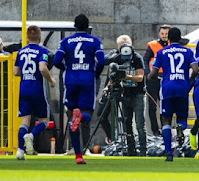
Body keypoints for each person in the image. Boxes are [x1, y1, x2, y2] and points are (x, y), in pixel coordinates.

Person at [53, 14, 105, 164]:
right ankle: (80, 117)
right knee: (87, 113)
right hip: (87, 79)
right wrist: (95, 73)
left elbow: (56, 61)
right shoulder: (95, 41)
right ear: (87, 26)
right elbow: (101, 61)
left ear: (74, 26)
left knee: (71, 118)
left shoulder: (65, 41)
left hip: (71, 80)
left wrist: (66, 68)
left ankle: (78, 156)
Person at [147, 27, 199, 161]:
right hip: (182, 87)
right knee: (182, 117)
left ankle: (169, 153)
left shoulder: (161, 52)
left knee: (166, 120)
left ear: (168, 38)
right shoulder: (187, 51)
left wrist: (149, 78)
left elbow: (153, 73)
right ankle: (181, 127)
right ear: (180, 38)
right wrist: (188, 80)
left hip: (167, 88)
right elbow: (196, 69)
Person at [14, 25, 56, 160]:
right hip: (37, 88)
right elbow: (43, 68)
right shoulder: (42, 51)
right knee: (44, 120)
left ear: (26, 37)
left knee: (24, 121)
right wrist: (51, 80)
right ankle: (31, 136)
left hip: (24, 88)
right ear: (39, 37)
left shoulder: (20, 52)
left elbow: (15, 72)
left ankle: (20, 151)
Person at [102, 35, 147, 156]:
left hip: (138, 94)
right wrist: (109, 85)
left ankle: (143, 150)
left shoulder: (137, 58)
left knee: (139, 124)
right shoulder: (118, 57)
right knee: (126, 123)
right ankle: (131, 149)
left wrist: (127, 77)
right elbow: (113, 73)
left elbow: (140, 77)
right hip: (125, 93)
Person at [144, 24, 171, 136]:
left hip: (166, 77)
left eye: (166, 34)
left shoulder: (172, 45)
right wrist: (147, 74)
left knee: (164, 105)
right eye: (162, 33)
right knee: (152, 105)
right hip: (153, 78)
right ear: (159, 34)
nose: (164, 36)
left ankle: (164, 129)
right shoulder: (152, 45)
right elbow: (145, 60)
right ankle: (155, 130)